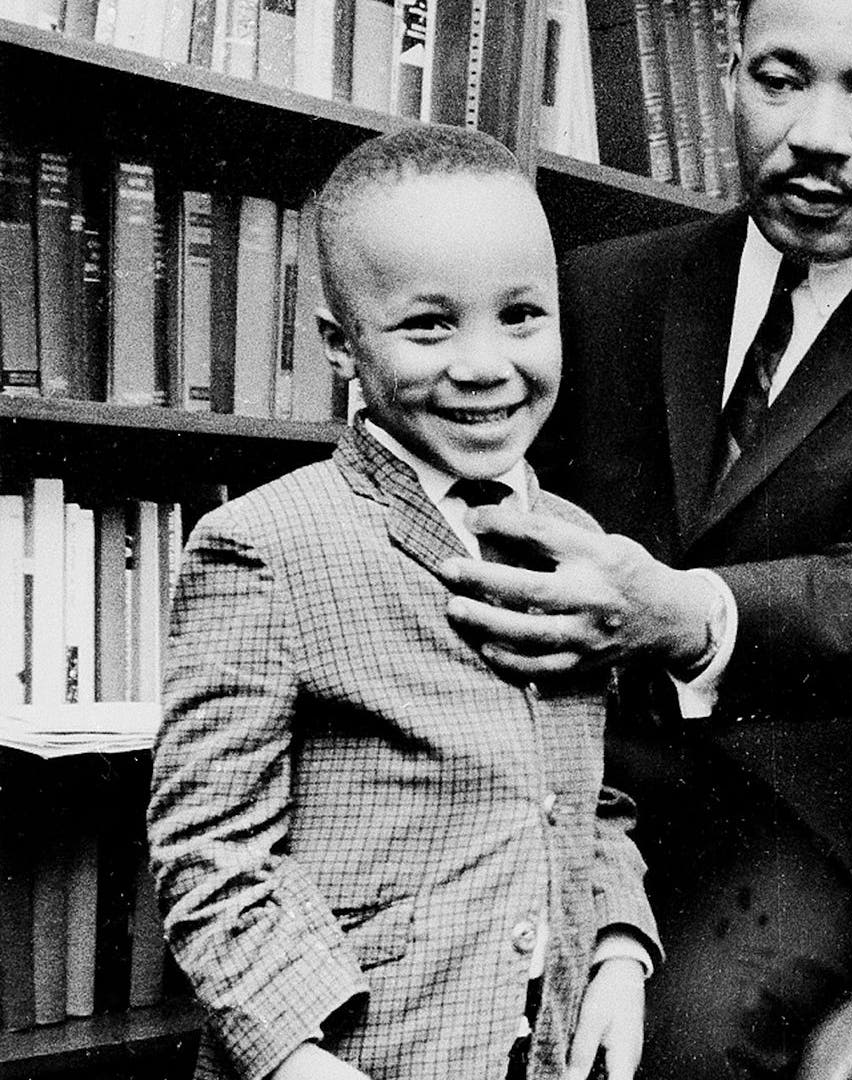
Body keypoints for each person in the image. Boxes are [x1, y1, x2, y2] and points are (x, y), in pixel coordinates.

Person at [432, 0, 852, 1074]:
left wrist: (677, 614)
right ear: (731, 72)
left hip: (805, 831)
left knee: (670, 1048)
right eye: (782, 78)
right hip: (567, 783)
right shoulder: (597, 288)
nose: (818, 132)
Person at [147, 127, 659, 1080]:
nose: (484, 364)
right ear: (343, 345)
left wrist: (619, 954)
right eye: (429, 325)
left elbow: (587, 799)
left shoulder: (579, 546)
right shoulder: (265, 545)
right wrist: (298, 1058)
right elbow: (209, 857)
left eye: (522, 316)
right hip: (358, 1058)